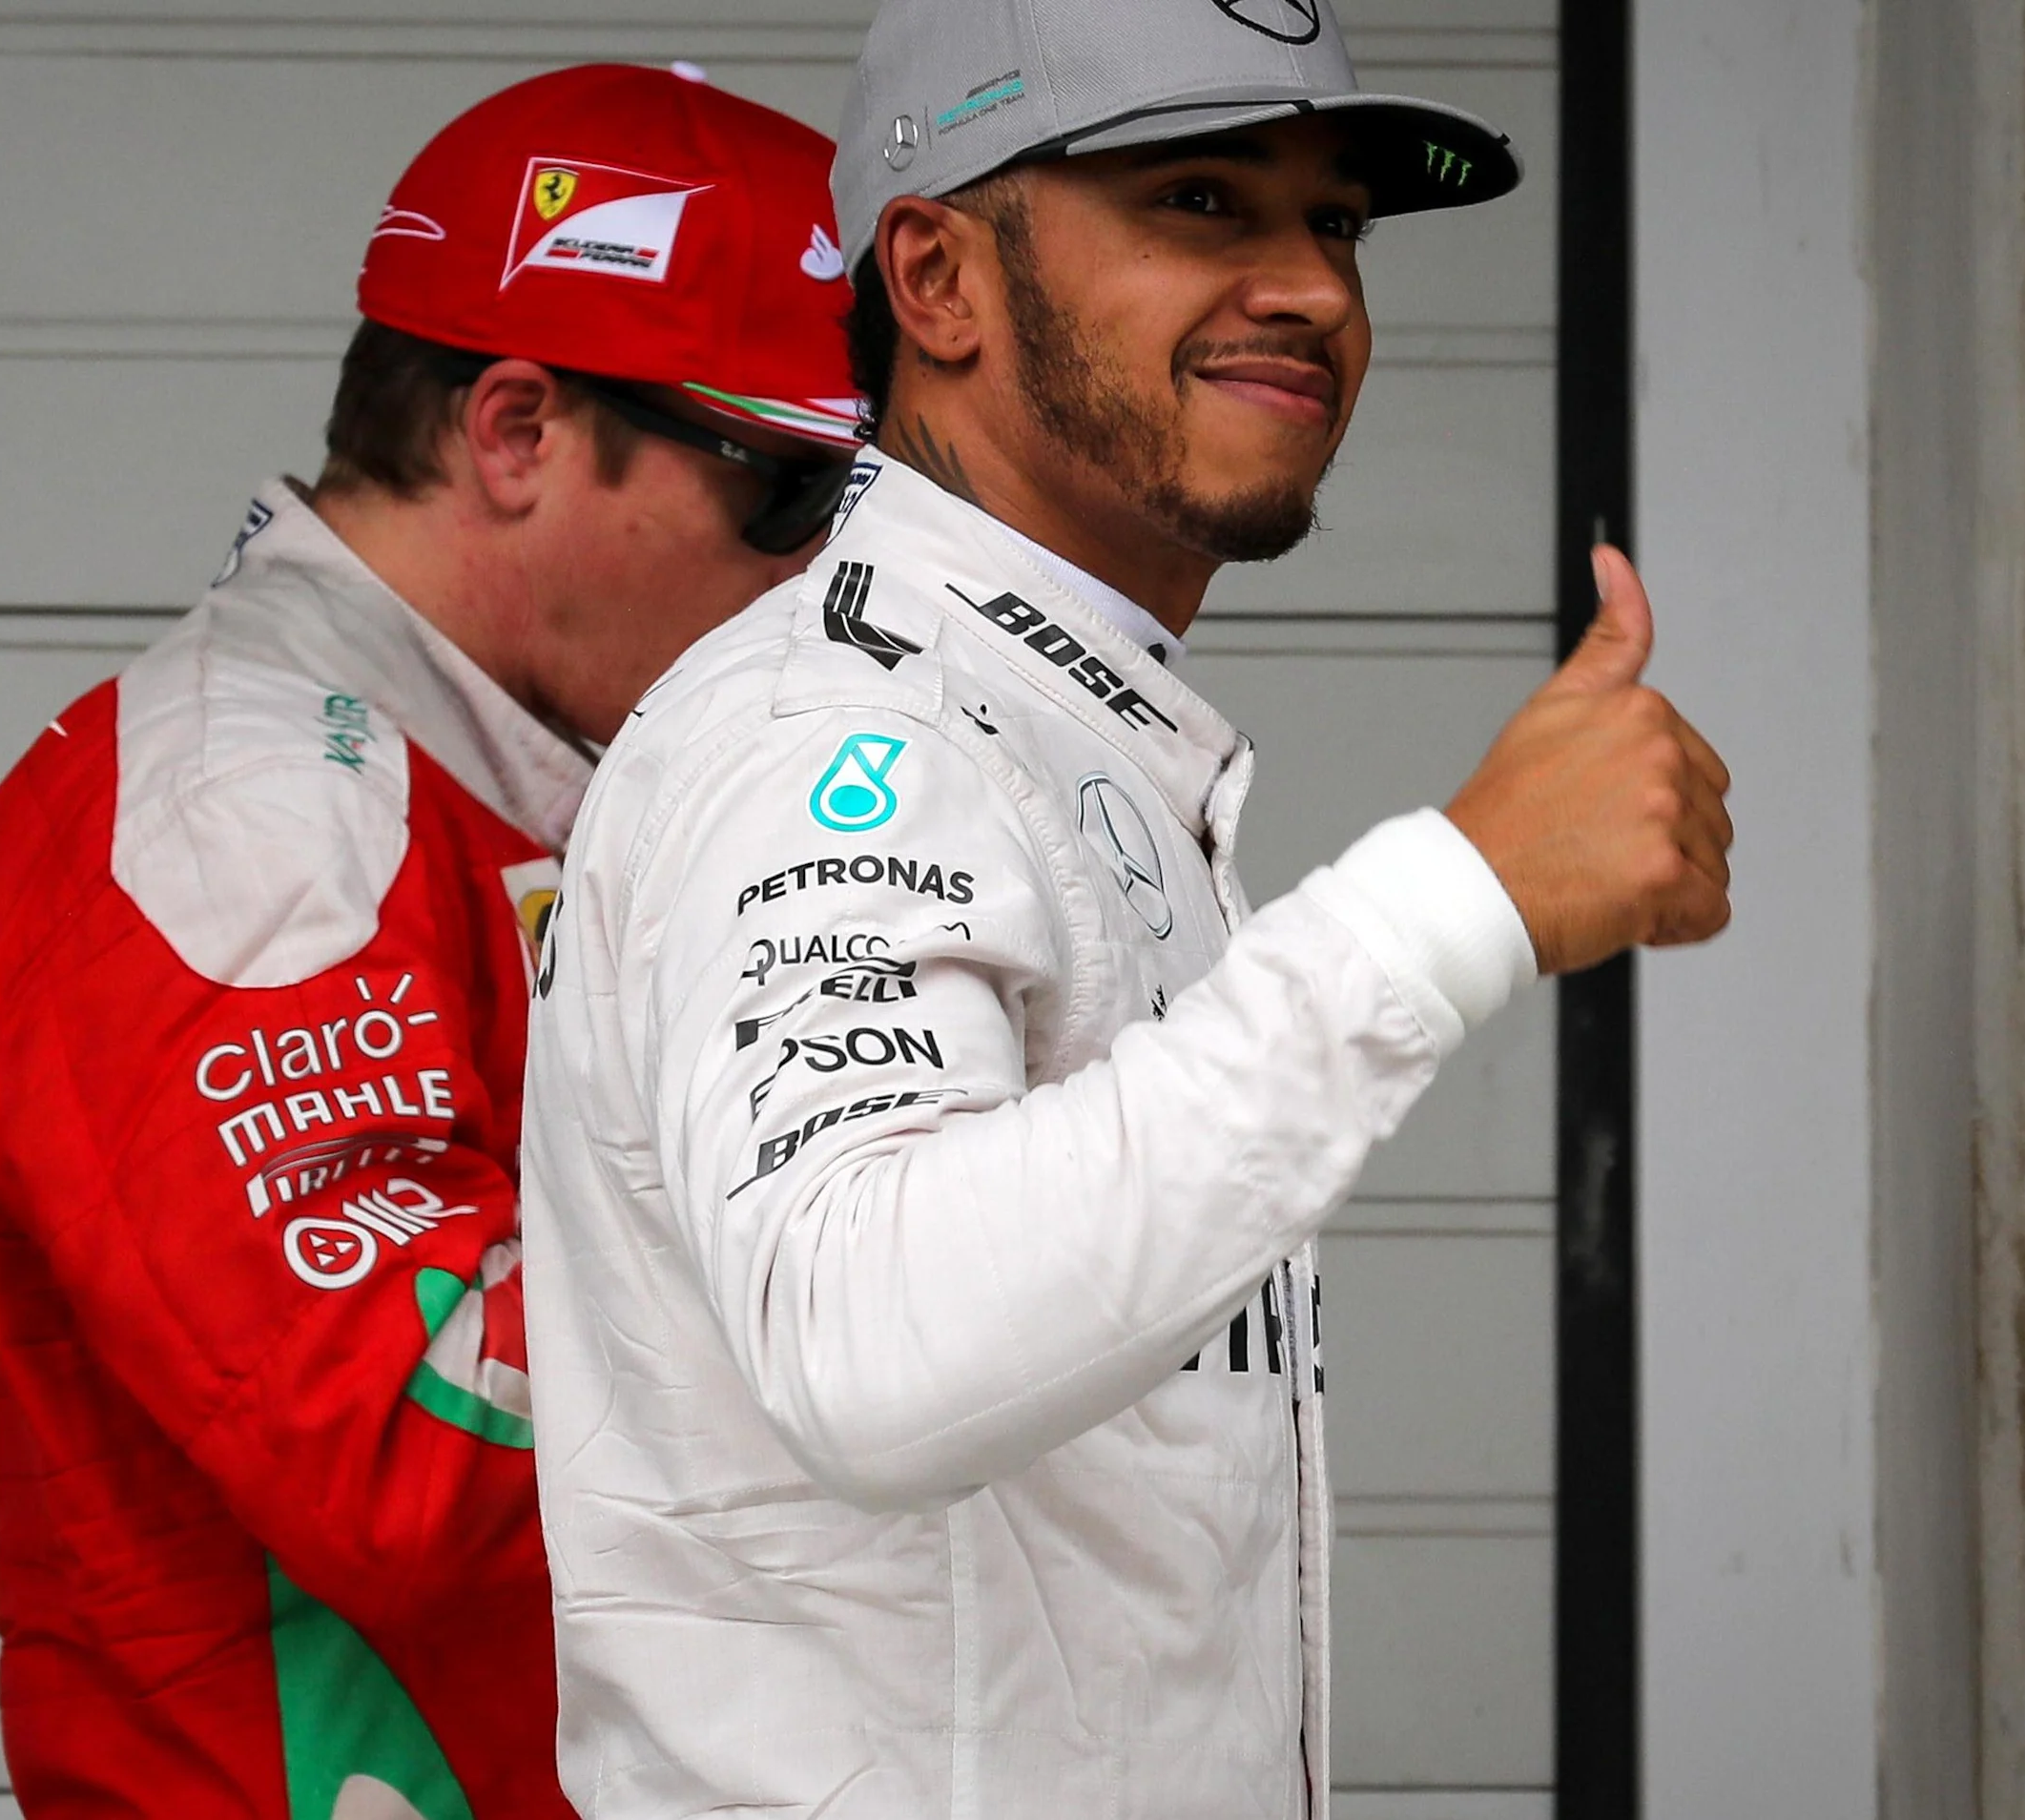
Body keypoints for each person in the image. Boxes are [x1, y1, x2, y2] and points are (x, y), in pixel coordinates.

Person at [517, 2, 1734, 1814]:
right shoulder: (842, 737)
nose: (1312, 286)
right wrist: (1456, 897)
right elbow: (870, 1347)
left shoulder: (1041, 723)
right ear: (937, 280)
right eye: (1199, 199)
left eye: (1336, 222)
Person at [0, 63, 859, 1819]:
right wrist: (928, 1287)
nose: (825, 576)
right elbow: (422, 1452)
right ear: (513, 430)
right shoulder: (252, 804)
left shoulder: (514, 775)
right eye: (791, 492)